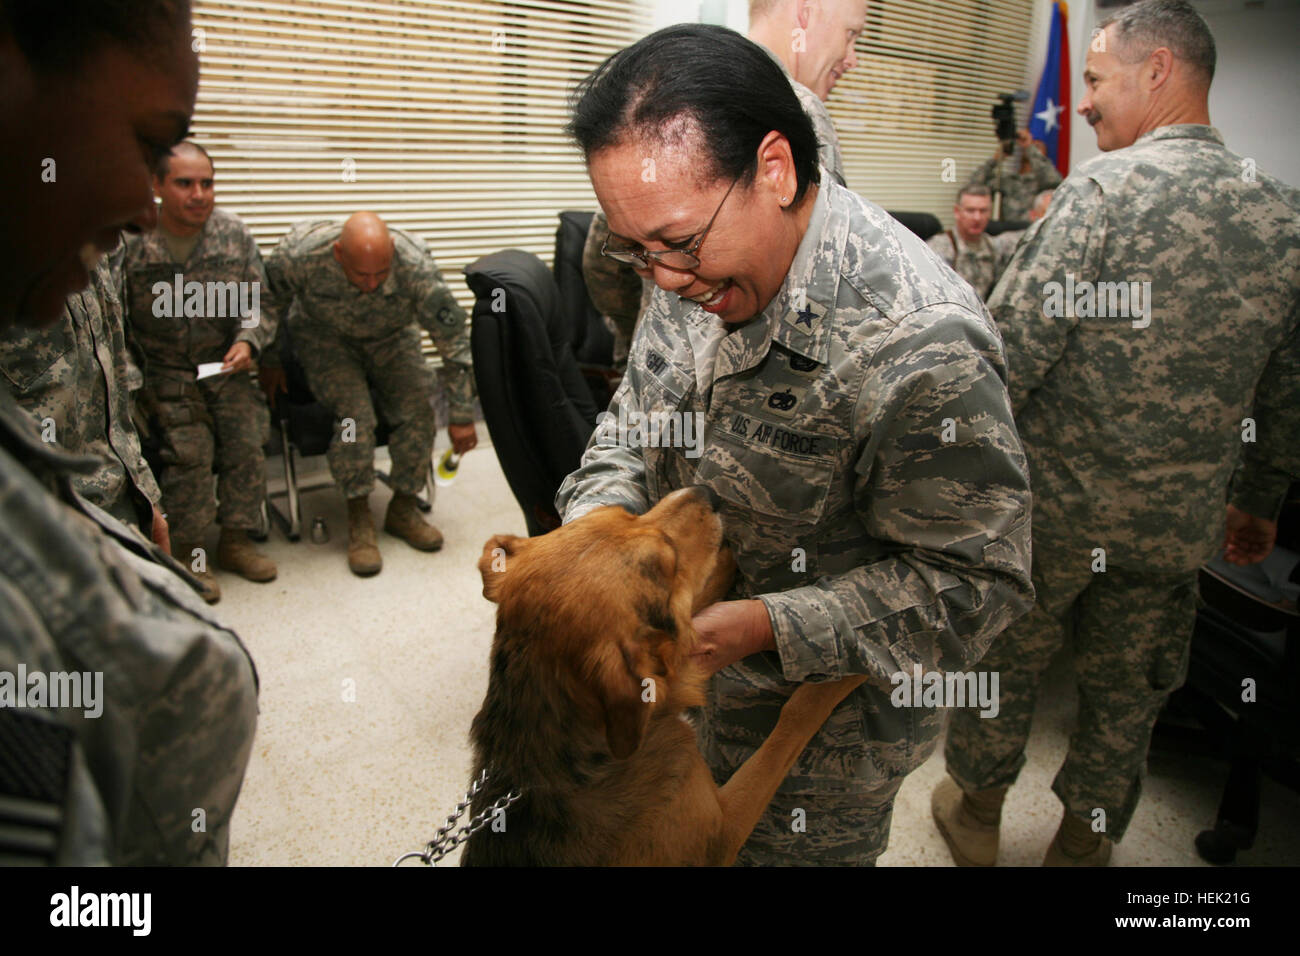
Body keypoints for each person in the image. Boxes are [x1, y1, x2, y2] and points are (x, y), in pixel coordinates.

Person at [557, 24, 1033, 865]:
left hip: (818, 747)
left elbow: (977, 586)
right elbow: (632, 421)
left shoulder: (920, 343)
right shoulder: (691, 255)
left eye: (677, 244)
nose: (664, 280)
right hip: (672, 696)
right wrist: (595, 536)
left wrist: (765, 626)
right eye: (638, 252)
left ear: (773, 170)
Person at [935, 0, 1300, 867]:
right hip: (1179, 526)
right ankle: (1083, 849)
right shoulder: (1285, 218)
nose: (1086, 102)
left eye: (1096, 81)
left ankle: (977, 814)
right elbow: (1287, 388)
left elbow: (1009, 353)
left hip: (1054, 514)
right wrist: (1258, 501)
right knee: (1129, 691)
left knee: (1007, 664)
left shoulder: (1101, 192)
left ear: (1160, 70)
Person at [0, 0, 258, 865]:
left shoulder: (80, 251)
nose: (149, 205)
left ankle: (235, 531)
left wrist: (127, 511)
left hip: (125, 465)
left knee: (236, 430)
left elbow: (109, 382)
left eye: (183, 172)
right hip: (163, 405)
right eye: (150, 147)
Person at [581, 0, 866, 370]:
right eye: (851, 35)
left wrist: (637, 334)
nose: (852, 58)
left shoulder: (663, 95)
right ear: (805, 12)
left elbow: (600, 261)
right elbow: (820, 286)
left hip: (660, 376)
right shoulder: (798, 112)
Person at [265, 213, 478, 576]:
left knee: (418, 410)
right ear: (337, 253)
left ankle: (403, 506)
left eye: (381, 273)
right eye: (361, 275)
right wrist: (268, 359)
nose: (371, 283)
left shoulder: (415, 265)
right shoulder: (300, 255)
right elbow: (267, 303)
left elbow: (454, 341)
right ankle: (359, 511)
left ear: (392, 252)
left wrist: (461, 415)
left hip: (392, 338)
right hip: (325, 339)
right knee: (354, 417)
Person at [121, 141, 278, 603]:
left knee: (247, 441)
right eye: (185, 183)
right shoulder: (130, 241)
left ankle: (235, 541)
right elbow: (113, 322)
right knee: (189, 455)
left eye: (207, 183)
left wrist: (248, 340)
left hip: (225, 365)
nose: (199, 194)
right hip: (162, 372)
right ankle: (191, 554)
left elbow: (260, 302)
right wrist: (131, 386)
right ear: (157, 185)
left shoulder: (233, 234)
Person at [0, 241, 169, 549]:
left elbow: (111, 397)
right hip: (35, 531)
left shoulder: (90, 245)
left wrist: (146, 498)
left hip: (115, 511)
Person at [926, 184, 1007, 300]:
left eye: (983, 211)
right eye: (970, 210)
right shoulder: (939, 247)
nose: (977, 218)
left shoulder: (994, 248)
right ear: (957, 212)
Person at [967, 128, 1063, 221]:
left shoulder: (1044, 184)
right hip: (1008, 232)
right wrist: (996, 159)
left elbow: (1055, 182)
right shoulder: (1008, 180)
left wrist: (1030, 148)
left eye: (1037, 147)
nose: (1031, 148)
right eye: (1032, 146)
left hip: (1032, 231)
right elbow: (974, 186)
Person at [990, 187, 1054, 261]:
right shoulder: (1007, 242)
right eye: (1049, 213)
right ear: (1033, 215)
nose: (1056, 219)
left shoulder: (1067, 245)